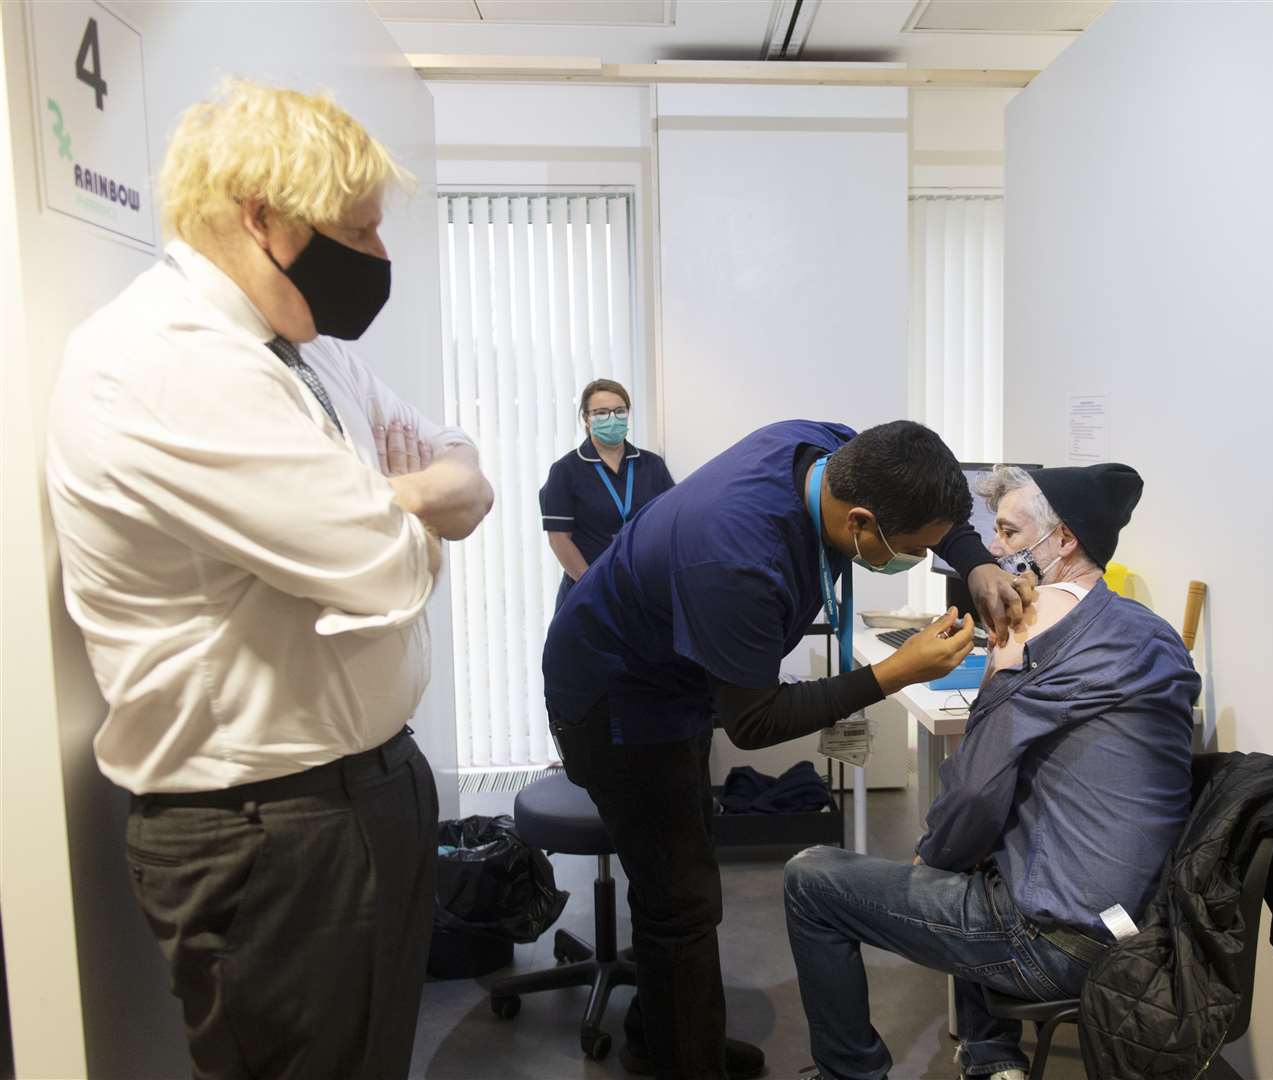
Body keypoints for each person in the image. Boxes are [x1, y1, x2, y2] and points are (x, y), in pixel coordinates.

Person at [45, 79, 493, 1080]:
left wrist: (401, 492)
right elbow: (381, 571)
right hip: (272, 833)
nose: (379, 260)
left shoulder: (305, 350)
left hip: (355, 797)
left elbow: (460, 466)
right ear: (264, 218)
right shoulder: (165, 363)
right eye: (361, 230)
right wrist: (410, 509)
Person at [542, 419, 1035, 1079]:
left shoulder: (832, 448)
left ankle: (656, 1039)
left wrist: (975, 562)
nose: (920, 560)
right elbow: (753, 721)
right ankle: (684, 1063)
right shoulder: (736, 557)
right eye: (914, 549)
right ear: (860, 523)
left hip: (670, 677)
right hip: (614, 698)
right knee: (680, 901)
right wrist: (894, 673)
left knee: (682, 876)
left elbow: (936, 516)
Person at [783, 463, 1200, 1080]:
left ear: (1063, 542)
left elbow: (974, 790)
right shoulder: (1149, 630)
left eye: (1006, 533)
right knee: (979, 852)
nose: (992, 552)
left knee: (811, 880)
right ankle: (993, 1056)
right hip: (1146, 930)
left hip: (1060, 944)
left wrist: (932, 855)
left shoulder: (1032, 627)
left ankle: (852, 1073)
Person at [540, 378, 675, 608]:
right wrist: (593, 586)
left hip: (642, 588)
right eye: (601, 413)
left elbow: (669, 523)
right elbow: (559, 539)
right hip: (588, 591)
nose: (612, 419)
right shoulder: (566, 470)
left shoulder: (652, 465)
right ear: (586, 418)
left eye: (619, 411)